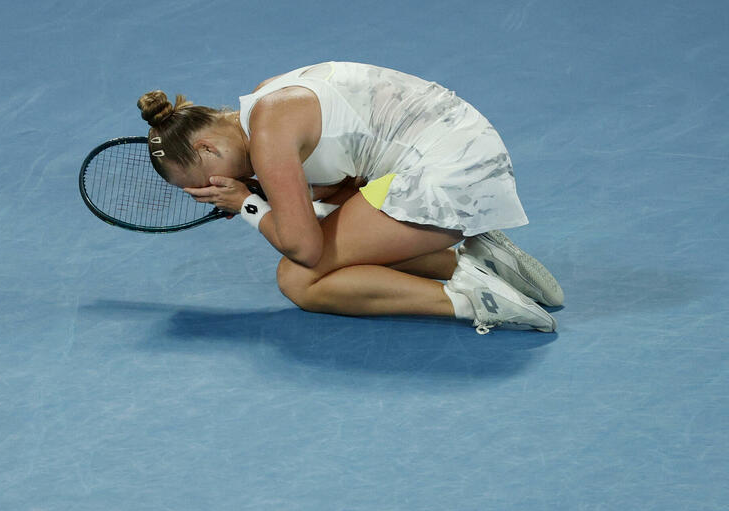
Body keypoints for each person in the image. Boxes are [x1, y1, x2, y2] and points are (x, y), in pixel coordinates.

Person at [136, 61, 563, 333]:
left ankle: (476, 298)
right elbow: (341, 184)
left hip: (454, 177)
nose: (216, 188)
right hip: (467, 150)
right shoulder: (267, 98)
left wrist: (249, 205)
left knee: (298, 279)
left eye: (209, 181)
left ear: (207, 148)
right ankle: (478, 260)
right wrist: (270, 195)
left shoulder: (267, 138)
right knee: (327, 211)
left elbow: (305, 249)